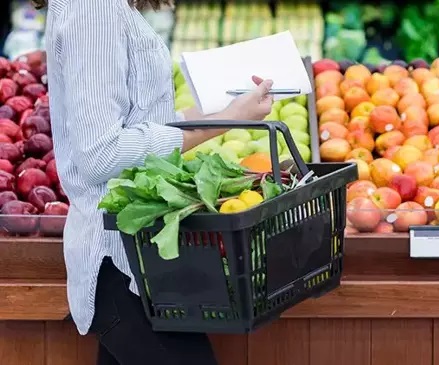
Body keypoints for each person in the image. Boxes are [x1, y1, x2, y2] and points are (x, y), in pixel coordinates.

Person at [36, 0, 274, 364]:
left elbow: (138, 124)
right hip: (120, 263)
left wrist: (226, 112)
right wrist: (223, 121)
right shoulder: (94, 7)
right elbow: (102, 154)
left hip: (144, 263)